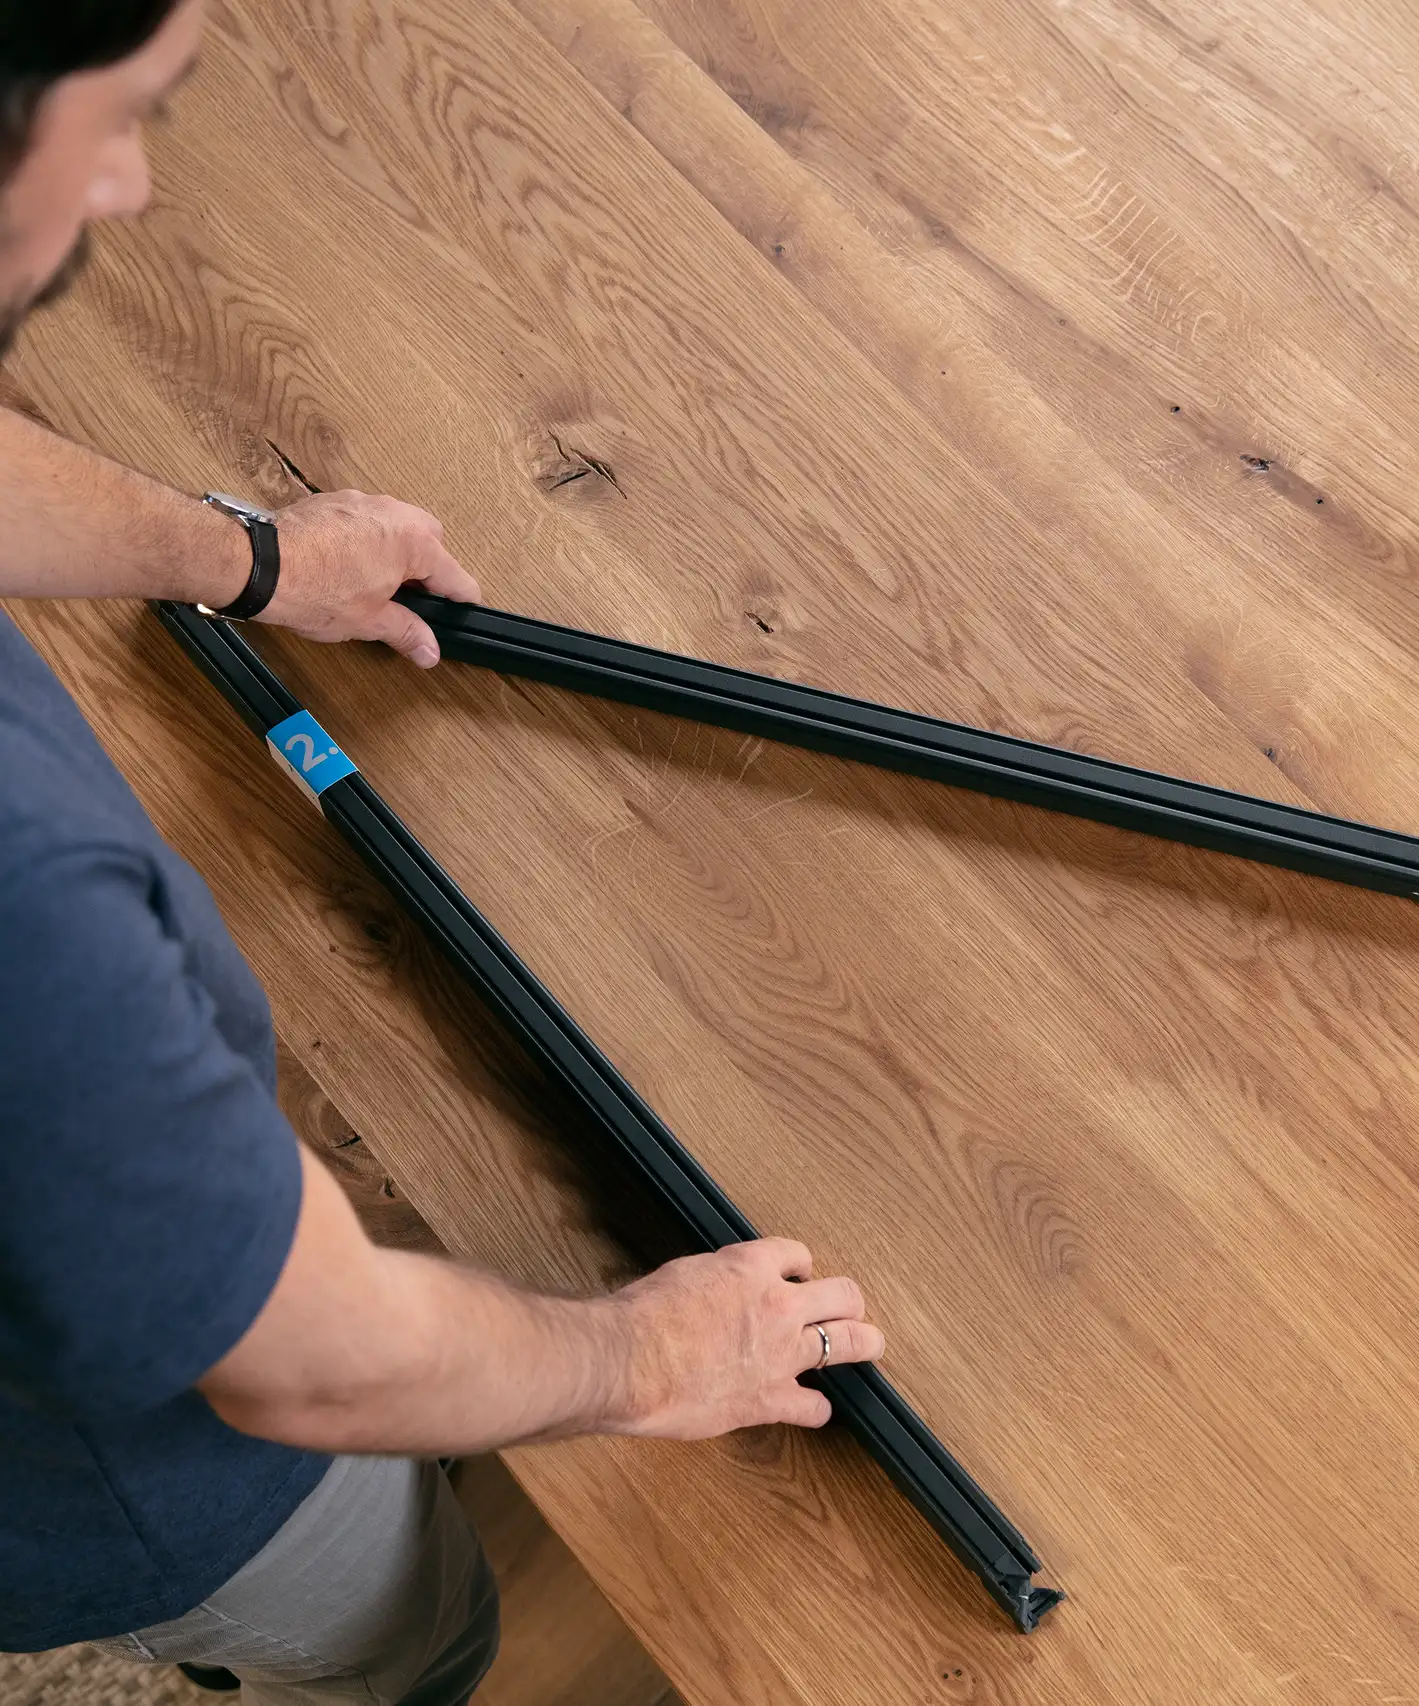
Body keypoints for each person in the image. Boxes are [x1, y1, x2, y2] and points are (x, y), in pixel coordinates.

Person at [0, 6, 884, 1702]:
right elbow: (313, 1370)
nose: (130, 186)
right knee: (408, 1635)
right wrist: (646, 1351)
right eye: (116, 121)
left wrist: (243, 560)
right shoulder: (27, 916)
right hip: (143, 1476)